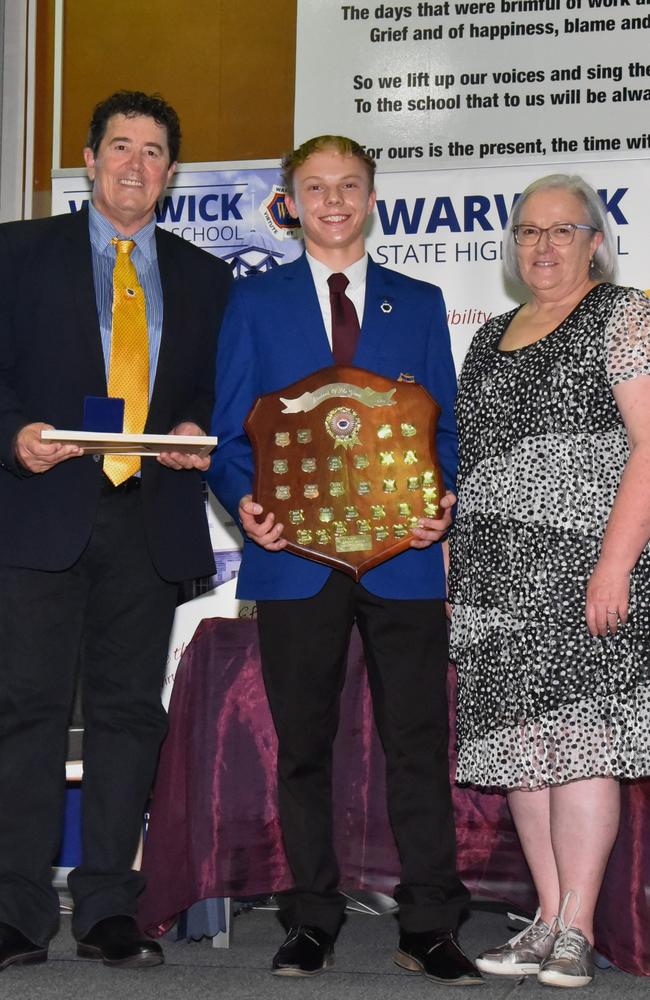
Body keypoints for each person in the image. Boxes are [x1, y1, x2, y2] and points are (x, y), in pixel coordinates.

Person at [208, 135, 481, 985]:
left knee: (417, 739)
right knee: (303, 746)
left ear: (372, 197)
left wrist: (443, 504)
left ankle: (430, 921)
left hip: (402, 559)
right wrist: (245, 503)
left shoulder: (420, 300)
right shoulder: (253, 303)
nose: (333, 200)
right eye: (315, 187)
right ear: (290, 202)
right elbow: (229, 436)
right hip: (294, 558)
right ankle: (311, 918)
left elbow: (446, 432)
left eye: (349, 185)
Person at [0, 90, 231, 971]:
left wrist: (192, 431)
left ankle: (106, 909)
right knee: (25, 712)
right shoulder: (17, 254)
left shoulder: (206, 277)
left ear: (170, 174)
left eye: (154, 152)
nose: (135, 165)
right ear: (90, 160)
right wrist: (14, 437)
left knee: (131, 716)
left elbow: (219, 392)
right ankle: (17, 912)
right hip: (39, 515)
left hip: (149, 522)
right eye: (121, 147)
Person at [448, 174, 650, 988]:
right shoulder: (486, 338)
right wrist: (450, 554)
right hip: (493, 579)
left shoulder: (625, 314)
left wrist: (614, 564)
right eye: (529, 231)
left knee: (582, 745)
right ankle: (544, 916)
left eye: (563, 231)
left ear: (595, 241)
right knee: (521, 752)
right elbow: (472, 466)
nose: (544, 246)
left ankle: (577, 926)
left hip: (583, 567)